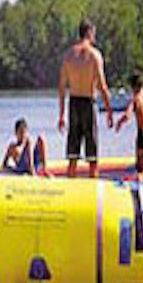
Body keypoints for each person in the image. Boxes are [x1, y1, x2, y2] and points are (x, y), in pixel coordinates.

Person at [58, 20, 113, 178]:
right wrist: (109, 111)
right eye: (93, 33)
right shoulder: (95, 55)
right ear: (89, 32)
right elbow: (103, 86)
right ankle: (93, 190)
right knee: (92, 157)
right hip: (88, 103)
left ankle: (70, 187)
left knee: (73, 156)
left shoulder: (69, 55)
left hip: (73, 103)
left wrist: (61, 115)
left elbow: (62, 87)